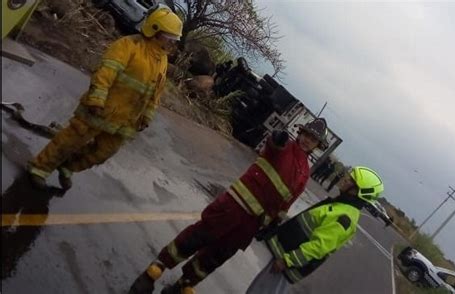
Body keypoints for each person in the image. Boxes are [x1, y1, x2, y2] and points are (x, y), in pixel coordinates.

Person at [128, 118, 330, 294]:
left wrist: (272, 224)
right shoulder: (284, 146)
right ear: (300, 132)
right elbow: (273, 145)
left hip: (251, 224)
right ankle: (154, 270)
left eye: (312, 139)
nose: (306, 140)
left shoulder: (304, 172)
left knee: (219, 254)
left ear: (316, 145)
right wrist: (276, 139)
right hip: (233, 206)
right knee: (198, 237)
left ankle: (183, 284)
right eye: (306, 134)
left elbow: (287, 202)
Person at [27, 6, 183, 190]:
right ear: (155, 30)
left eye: (175, 39)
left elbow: (155, 92)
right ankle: (40, 167)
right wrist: (96, 99)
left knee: (101, 153)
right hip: (101, 109)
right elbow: (105, 73)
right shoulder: (128, 45)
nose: (172, 44)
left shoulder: (162, 60)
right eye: (170, 38)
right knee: (70, 140)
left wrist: (146, 116)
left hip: (126, 121)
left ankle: (69, 167)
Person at [246, 166, 384, 294]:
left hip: (288, 266)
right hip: (285, 256)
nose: (345, 179)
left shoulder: (345, 218)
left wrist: (287, 261)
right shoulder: (341, 205)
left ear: (358, 192)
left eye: (351, 180)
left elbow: (318, 247)